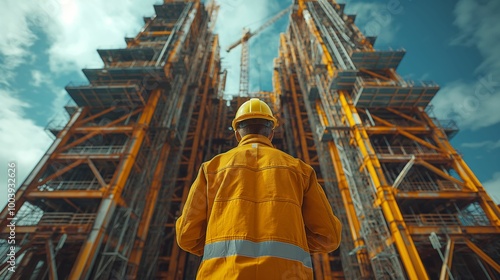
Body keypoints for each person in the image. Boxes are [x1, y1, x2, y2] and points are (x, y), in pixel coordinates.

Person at [176, 98, 341, 279]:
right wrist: (294, 242)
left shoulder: (212, 168)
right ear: (271, 133)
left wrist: (222, 248)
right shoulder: (300, 170)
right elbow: (329, 235)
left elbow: (186, 234)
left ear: (238, 134)